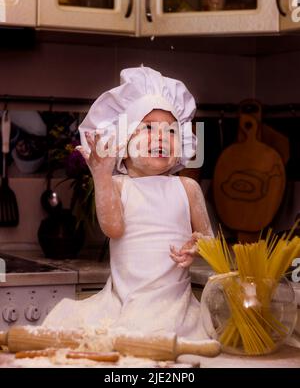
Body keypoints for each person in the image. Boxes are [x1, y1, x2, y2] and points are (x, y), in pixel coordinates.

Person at [43, 66, 213, 339]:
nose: (161, 137)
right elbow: (113, 229)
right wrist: (101, 175)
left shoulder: (187, 188)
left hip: (174, 307)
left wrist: (199, 247)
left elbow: (210, 241)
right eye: (148, 128)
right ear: (122, 142)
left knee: (168, 348)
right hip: (124, 302)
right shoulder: (120, 186)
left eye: (170, 131)